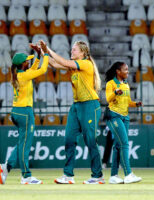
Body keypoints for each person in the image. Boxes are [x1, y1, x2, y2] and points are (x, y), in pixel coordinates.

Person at [47, 41, 104, 184]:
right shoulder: (73, 66)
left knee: (90, 140)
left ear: (83, 53)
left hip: (90, 105)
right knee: (69, 139)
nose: (71, 52)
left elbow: (63, 62)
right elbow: (54, 63)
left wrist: (48, 48)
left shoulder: (86, 64)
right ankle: (68, 175)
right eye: (71, 49)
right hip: (77, 106)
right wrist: (42, 52)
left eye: (74, 50)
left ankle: (98, 176)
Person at [0, 40, 49, 185]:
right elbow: (43, 70)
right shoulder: (24, 76)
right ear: (22, 64)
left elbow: (33, 68)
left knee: (22, 142)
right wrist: (47, 54)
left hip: (16, 111)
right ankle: (26, 176)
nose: (28, 62)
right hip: (25, 112)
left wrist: (38, 55)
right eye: (26, 61)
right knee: (26, 145)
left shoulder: (19, 74)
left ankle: (6, 167)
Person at [105, 61, 142, 184]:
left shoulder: (126, 85)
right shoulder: (111, 84)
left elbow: (128, 102)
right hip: (114, 116)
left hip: (125, 117)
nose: (128, 71)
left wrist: (135, 104)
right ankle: (128, 174)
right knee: (124, 144)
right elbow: (108, 98)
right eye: (125, 69)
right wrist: (115, 92)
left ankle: (113, 176)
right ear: (118, 71)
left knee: (117, 146)